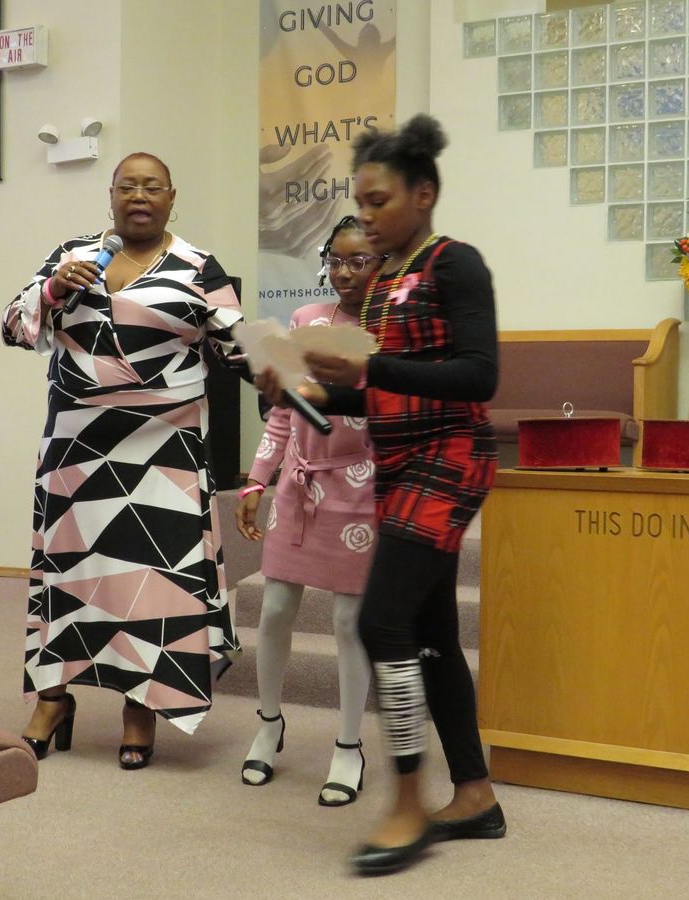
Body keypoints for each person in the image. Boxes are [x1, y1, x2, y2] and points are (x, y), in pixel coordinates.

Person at [260, 115, 504, 874]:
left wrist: (366, 372)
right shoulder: (386, 286)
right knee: (430, 631)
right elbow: (377, 396)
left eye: (378, 201)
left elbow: (479, 377)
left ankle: (405, 804)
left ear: (422, 194)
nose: (365, 217)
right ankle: (474, 795)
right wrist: (301, 391)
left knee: (380, 618)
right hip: (400, 465)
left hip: (451, 459)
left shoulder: (455, 265)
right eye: (359, 202)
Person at [1, 151, 245, 769]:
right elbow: (13, 327)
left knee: (154, 577)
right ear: (110, 195)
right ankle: (53, 700)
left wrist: (296, 364)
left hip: (163, 450)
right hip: (78, 448)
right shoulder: (73, 254)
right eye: (127, 186)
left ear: (171, 198)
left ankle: (142, 707)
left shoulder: (198, 267)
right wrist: (55, 288)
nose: (139, 196)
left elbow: (238, 347)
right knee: (70, 572)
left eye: (152, 187)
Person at [235, 216, 380, 805]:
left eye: (359, 260)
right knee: (274, 608)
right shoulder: (305, 319)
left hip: (361, 487)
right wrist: (257, 479)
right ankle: (269, 723)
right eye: (336, 260)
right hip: (299, 484)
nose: (345, 272)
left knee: (348, 622)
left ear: (383, 264)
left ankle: (348, 745)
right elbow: (283, 410)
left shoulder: (392, 332)